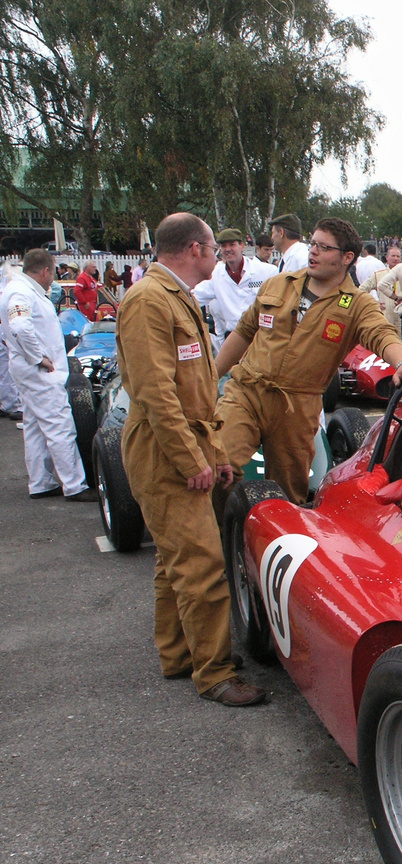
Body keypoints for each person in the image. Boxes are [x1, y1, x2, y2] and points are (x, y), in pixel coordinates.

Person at [112, 213, 267, 706]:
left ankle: (181, 654)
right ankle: (215, 673)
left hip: (185, 442)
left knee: (173, 559)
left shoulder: (174, 297)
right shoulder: (148, 301)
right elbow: (157, 395)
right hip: (164, 451)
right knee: (201, 564)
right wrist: (189, 460)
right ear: (196, 249)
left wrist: (214, 452)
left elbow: (197, 395)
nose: (218, 254)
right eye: (212, 247)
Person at [214, 217, 402, 504]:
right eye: (313, 244)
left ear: (346, 257)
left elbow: (381, 333)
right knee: (219, 465)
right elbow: (243, 333)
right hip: (247, 391)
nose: (313, 252)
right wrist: (210, 375)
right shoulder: (278, 285)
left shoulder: (356, 304)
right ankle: (220, 542)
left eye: (324, 247)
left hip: (297, 407)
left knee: (289, 494)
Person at [0, 249, 93, 501]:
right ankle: (75, 485)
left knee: (34, 427)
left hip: (28, 369)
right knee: (59, 425)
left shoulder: (20, 289)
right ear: (45, 271)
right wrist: (37, 357)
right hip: (38, 371)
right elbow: (20, 325)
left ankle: (41, 482)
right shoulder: (21, 292)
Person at [193, 228, 278, 340]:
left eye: (232, 245)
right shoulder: (215, 275)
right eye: (223, 246)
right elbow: (193, 298)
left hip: (260, 335)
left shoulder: (267, 271)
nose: (228, 249)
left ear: (241, 246)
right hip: (234, 336)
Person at [358, 245, 402, 330]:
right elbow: (361, 290)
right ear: (387, 258)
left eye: (398, 256)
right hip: (386, 316)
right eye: (393, 256)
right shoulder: (378, 275)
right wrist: (373, 304)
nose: (395, 258)